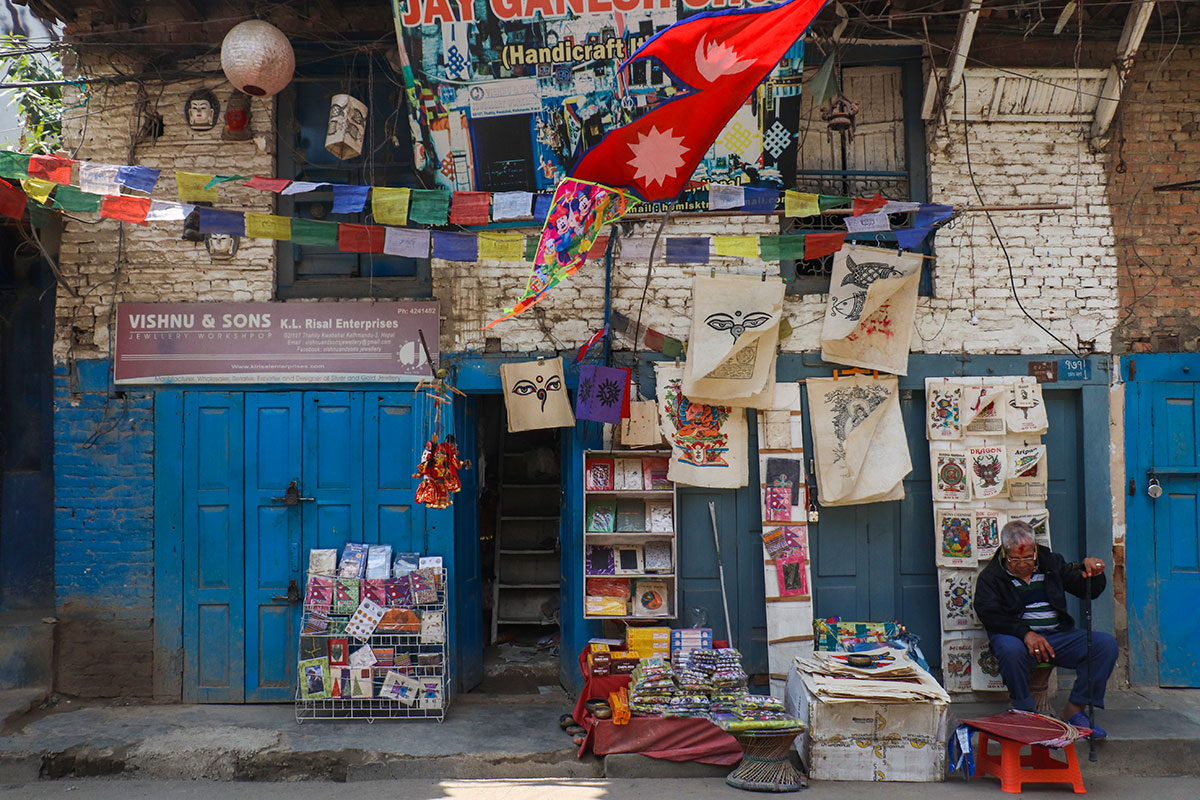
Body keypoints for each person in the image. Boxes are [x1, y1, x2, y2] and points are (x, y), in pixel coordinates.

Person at [973, 520, 1117, 737]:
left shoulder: (1051, 563)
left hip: (1058, 636)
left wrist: (1093, 574)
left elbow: (1085, 589)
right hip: (1019, 640)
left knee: (1104, 645)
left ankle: (1075, 710)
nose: (1022, 564)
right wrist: (1026, 634)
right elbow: (990, 614)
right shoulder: (992, 577)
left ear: (1036, 550)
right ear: (1004, 553)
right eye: (1015, 559)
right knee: (1008, 648)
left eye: (1028, 558)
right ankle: (1024, 710)